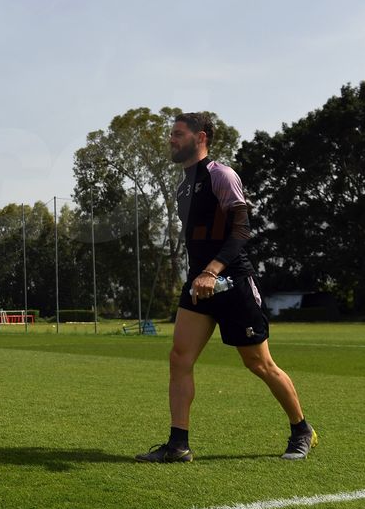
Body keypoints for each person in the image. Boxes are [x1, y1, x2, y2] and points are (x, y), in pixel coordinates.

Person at [136, 112, 317, 463]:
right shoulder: (183, 185)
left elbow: (242, 230)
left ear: (199, 137)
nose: (171, 140)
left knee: (259, 363)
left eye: (177, 134)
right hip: (199, 284)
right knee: (179, 358)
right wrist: (198, 276)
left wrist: (213, 270)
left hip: (232, 279)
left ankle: (301, 430)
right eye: (170, 134)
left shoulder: (221, 175)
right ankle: (178, 445)